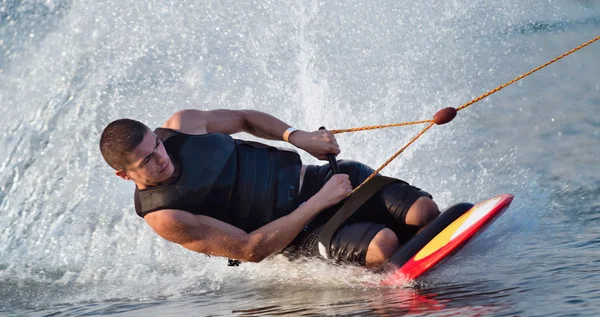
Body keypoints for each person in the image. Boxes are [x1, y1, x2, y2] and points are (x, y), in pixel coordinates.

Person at [100, 109, 440, 270]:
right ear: (124, 175)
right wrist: (320, 203)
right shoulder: (165, 215)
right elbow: (249, 249)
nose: (161, 158)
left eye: (157, 145)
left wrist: (299, 137)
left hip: (322, 179)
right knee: (384, 245)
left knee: (425, 211)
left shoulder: (184, 126)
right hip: (297, 234)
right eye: (146, 161)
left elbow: (246, 120)